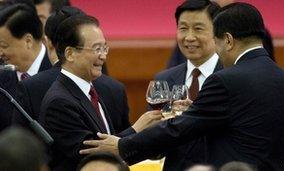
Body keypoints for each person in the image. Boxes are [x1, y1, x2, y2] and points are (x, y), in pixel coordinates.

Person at [79, 2, 284, 171]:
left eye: (216, 40)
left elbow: (181, 127)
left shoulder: (225, 80)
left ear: (228, 40)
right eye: (183, 28)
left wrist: (123, 146)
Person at [39, 15, 161, 171]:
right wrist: (137, 129)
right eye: (97, 49)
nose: (103, 56)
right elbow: (95, 156)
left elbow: (116, 146)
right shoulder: (59, 102)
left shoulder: (94, 91)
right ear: (70, 54)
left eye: (105, 48)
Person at [155, 0, 222, 170]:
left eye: (198, 29)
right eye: (183, 28)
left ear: (218, 32)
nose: (189, 37)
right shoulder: (164, 79)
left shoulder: (232, 75)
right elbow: (154, 139)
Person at [0, 3, 51, 131]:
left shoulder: (59, 74)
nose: (0, 53)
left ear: (28, 40)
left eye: (4, 46)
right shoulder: (2, 79)